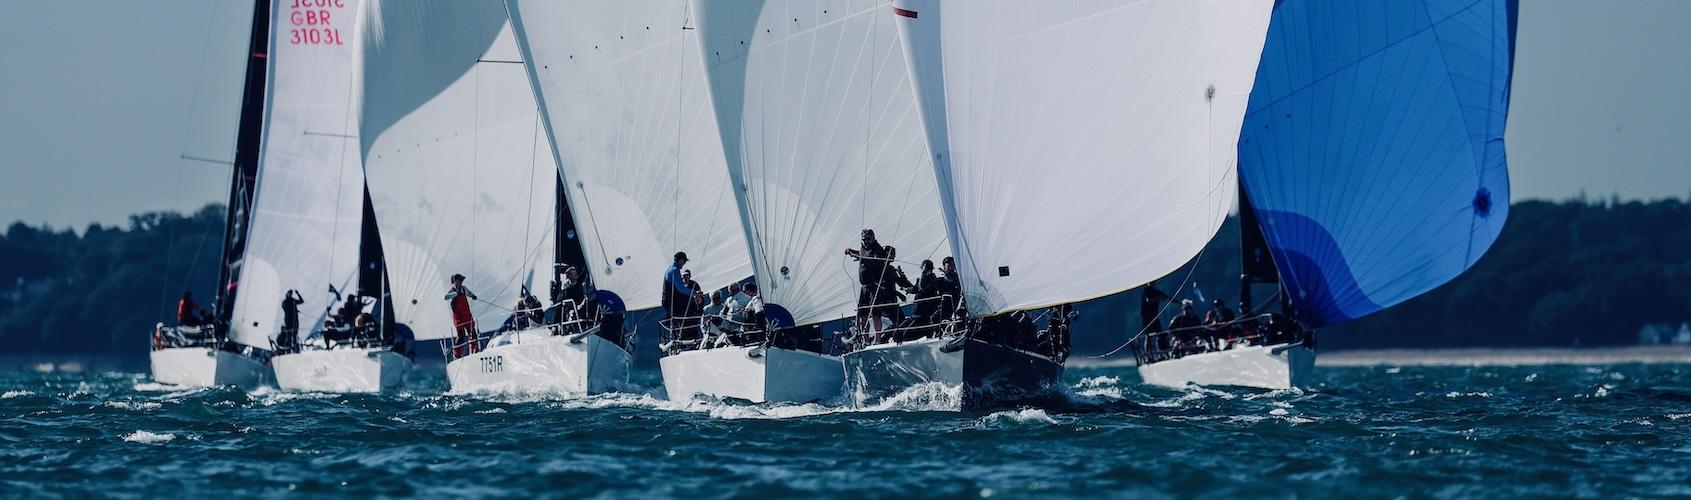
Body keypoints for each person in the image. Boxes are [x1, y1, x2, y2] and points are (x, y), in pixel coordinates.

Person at [844, 229, 889, 335]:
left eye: (868, 239)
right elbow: (860, 254)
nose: (866, 241)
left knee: (875, 315)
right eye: (864, 239)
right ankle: (865, 339)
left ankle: (878, 340)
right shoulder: (863, 248)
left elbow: (876, 262)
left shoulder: (877, 249)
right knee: (862, 315)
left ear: (873, 238)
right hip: (864, 287)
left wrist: (861, 258)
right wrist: (851, 252)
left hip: (874, 287)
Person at [445, 274, 479, 357]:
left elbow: (469, 293)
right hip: (459, 318)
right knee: (461, 336)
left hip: (467, 316)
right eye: (459, 280)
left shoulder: (464, 288)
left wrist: (473, 296)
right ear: (455, 280)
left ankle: (475, 351)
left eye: (461, 280)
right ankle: (457, 354)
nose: (461, 282)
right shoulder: (452, 290)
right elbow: (446, 297)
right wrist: (455, 294)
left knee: (473, 334)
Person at [908, 260, 945, 326]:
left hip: (925, 312)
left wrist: (923, 273)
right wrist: (907, 289)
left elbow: (922, 288)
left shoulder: (932, 279)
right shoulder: (922, 279)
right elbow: (915, 288)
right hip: (918, 311)